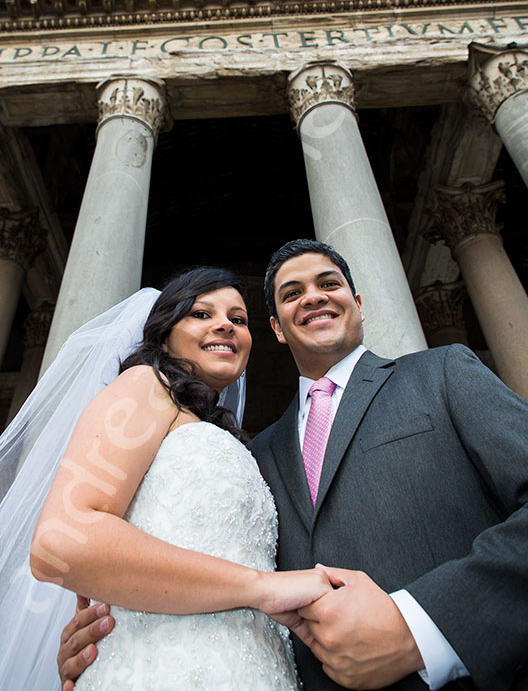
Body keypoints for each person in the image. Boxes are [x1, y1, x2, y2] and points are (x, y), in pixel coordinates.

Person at [62, 240, 528, 691]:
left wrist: (423, 627)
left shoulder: (441, 373)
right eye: (292, 293)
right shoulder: (254, 454)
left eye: (329, 283)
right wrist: (114, 631)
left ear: (358, 304)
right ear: (277, 328)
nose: (313, 296)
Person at [0, 265, 331, 691]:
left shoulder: (226, 438)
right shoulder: (146, 386)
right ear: (164, 332)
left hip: (257, 668)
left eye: (238, 319)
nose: (224, 326)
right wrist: (260, 587)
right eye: (200, 313)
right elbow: (60, 543)